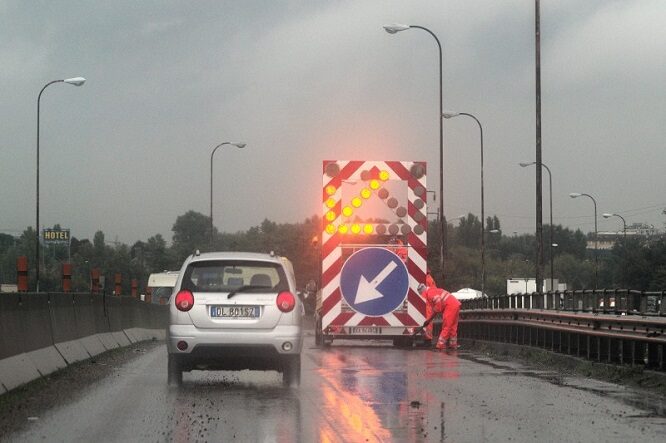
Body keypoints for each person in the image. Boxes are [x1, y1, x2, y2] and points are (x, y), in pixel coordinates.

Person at [417, 282, 461, 351]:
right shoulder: (433, 290)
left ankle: (440, 345)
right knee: (452, 326)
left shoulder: (430, 293)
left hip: (449, 306)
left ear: (423, 292)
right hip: (455, 304)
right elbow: (436, 308)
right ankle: (453, 344)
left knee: (446, 326)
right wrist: (429, 320)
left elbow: (438, 305)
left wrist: (429, 319)